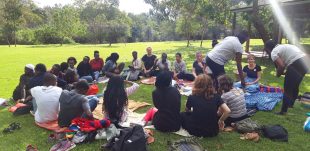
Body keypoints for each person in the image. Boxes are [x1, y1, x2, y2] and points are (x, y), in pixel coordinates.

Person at [265, 40, 310, 115]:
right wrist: (284, 72)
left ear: (268, 48)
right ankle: (290, 105)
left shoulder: (274, 52)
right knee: (295, 86)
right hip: (305, 62)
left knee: (287, 89)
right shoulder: (285, 46)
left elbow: (281, 66)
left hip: (296, 63)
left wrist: (278, 74)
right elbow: (284, 64)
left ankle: (283, 111)